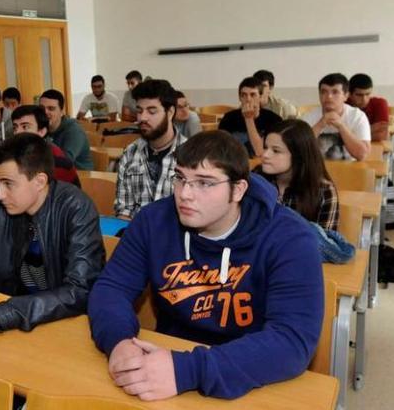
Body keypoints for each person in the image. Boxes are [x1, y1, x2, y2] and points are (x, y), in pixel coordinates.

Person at [88, 131, 323, 401]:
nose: (185, 194)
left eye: (205, 183)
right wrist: (118, 342)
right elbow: (111, 288)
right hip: (166, 365)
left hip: (252, 373)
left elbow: (291, 341)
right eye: (180, 178)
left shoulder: (290, 238)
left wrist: (189, 370)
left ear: (238, 189)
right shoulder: (153, 221)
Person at [0, 133, 104, 332]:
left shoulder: (77, 208)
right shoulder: (4, 208)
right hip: (15, 318)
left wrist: (0, 314)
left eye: (8, 183)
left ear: (39, 181)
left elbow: (78, 291)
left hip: (59, 323)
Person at [115, 79, 186, 220]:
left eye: (152, 111)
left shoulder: (191, 154)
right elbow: (124, 210)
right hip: (137, 237)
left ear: (170, 112)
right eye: (139, 111)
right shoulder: (130, 153)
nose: (142, 118)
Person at [0, 105, 81, 202]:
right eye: (15, 127)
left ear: (41, 131)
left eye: (25, 127)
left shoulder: (58, 161)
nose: (18, 132)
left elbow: (73, 202)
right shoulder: (3, 160)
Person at [260, 120, 339, 231]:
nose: (265, 155)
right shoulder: (255, 180)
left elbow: (325, 244)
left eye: (276, 151)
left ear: (298, 155)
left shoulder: (323, 190)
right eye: (265, 147)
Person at [302, 73, 371, 161]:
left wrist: (341, 126)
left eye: (335, 92)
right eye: (324, 92)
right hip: (317, 171)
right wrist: (320, 124)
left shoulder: (358, 117)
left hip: (350, 171)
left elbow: (362, 155)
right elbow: (298, 151)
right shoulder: (309, 117)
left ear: (346, 96)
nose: (329, 97)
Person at [218, 77, 283, 157]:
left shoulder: (274, 120)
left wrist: (248, 118)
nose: (248, 99)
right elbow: (221, 150)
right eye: (244, 95)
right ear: (240, 98)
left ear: (260, 97)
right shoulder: (228, 118)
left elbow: (259, 152)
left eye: (253, 95)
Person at [40, 89, 94, 170]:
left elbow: (65, 161)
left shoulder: (74, 131)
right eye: (41, 108)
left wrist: (45, 139)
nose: (45, 112)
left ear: (62, 112)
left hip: (80, 177)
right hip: (54, 174)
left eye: (51, 109)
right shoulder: (41, 127)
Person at [347, 74, 390, 143]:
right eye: (359, 95)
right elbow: (338, 136)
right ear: (349, 94)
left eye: (368, 94)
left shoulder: (379, 103)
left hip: (373, 148)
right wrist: (370, 129)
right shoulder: (343, 104)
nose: (364, 99)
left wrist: (350, 134)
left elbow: (383, 135)